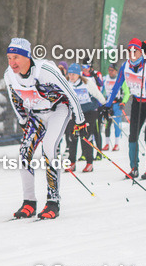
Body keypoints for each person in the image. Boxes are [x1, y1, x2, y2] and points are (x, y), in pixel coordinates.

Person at [6, 38, 84, 219]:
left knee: (49, 147)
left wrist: (80, 121)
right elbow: (14, 97)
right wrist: (22, 119)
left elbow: (70, 93)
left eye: (16, 57)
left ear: (27, 57)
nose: (12, 63)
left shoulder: (45, 70)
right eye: (9, 58)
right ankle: (29, 202)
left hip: (58, 109)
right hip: (36, 113)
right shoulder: (9, 74)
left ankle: (53, 201)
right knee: (24, 152)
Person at [104, 39, 146, 179]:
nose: (132, 54)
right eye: (129, 51)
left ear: (141, 52)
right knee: (132, 136)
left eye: (135, 51)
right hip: (137, 103)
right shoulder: (125, 66)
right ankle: (134, 168)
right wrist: (107, 105)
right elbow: (116, 87)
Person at [64, 63, 105, 172]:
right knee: (72, 136)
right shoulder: (66, 83)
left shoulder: (87, 83)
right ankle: (71, 162)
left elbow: (98, 94)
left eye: (74, 74)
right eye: (70, 74)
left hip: (89, 112)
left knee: (86, 136)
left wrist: (105, 106)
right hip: (75, 113)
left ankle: (89, 162)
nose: (71, 76)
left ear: (78, 75)